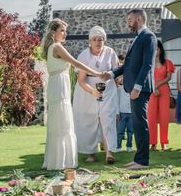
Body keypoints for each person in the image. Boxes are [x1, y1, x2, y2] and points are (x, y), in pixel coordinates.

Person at [41, 19, 108, 170]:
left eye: (65, 31)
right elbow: (76, 63)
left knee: (57, 122)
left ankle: (56, 160)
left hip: (55, 83)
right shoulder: (57, 47)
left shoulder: (51, 48)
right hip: (59, 84)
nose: (65, 34)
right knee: (62, 122)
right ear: (54, 33)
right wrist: (96, 72)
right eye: (62, 30)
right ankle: (62, 161)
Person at [109, 9, 156, 170]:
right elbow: (128, 65)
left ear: (139, 18)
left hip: (140, 89)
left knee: (140, 123)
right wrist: (110, 74)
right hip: (134, 88)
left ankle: (143, 161)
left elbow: (147, 65)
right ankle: (138, 159)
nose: (128, 22)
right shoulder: (137, 38)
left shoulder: (149, 36)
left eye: (130, 19)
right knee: (137, 124)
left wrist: (137, 87)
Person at [72, 26, 119, 164]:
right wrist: (92, 91)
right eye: (95, 40)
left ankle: (109, 152)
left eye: (100, 39)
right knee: (89, 120)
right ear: (90, 41)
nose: (98, 42)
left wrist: (118, 80)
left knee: (107, 118)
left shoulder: (110, 52)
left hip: (108, 89)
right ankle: (90, 152)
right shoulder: (84, 55)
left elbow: (116, 71)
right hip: (88, 90)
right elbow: (81, 80)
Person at [148, 40, 175, 151]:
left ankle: (164, 143)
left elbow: (168, 77)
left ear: (160, 49)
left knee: (164, 117)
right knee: (151, 117)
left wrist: (157, 85)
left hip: (164, 90)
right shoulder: (148, 63)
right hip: (151, 91)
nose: (155, 51)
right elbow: (147, 77)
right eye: (153, 49)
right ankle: (153, 143)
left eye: (157, 48)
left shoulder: (167, 62)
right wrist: (154, 88)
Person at [115, 54, 134, 152]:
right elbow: (117, 101)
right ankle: (118, 147)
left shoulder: (132, 89)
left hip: (131, 112)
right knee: (120, 131)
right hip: (122, 112)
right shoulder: (119, 89)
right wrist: (117, 113)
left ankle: (129, 146)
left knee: (130, 131)